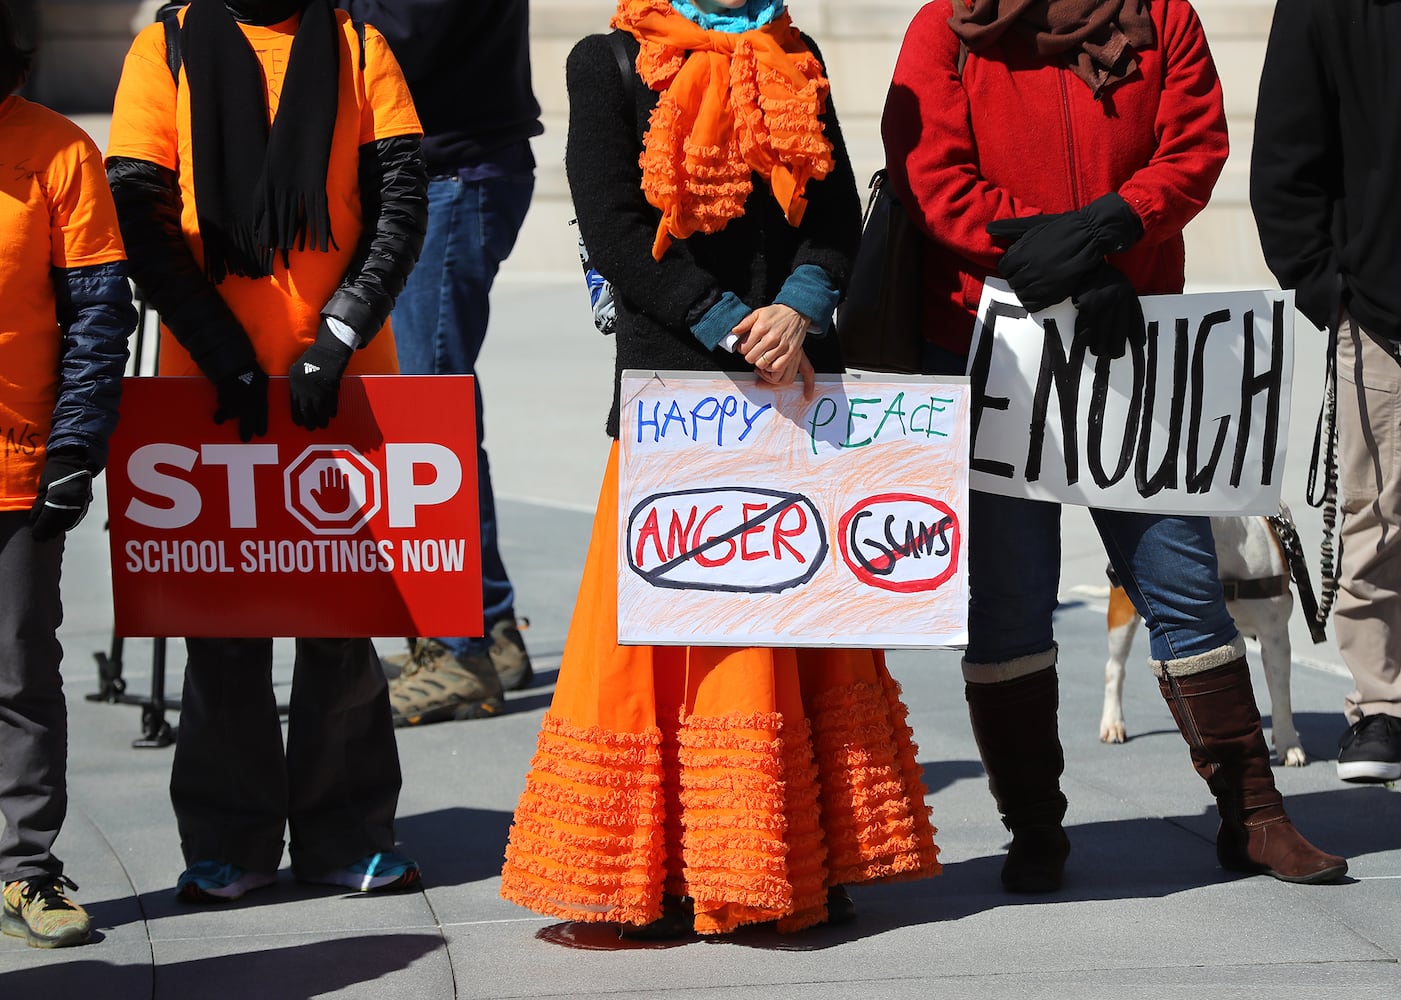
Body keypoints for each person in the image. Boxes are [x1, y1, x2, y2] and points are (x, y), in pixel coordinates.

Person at [499, 0, 942, 938]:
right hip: (675, 388)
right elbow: (614, 229)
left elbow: (830, 216)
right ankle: (654, 877)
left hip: (787, 381)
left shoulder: (795, 50)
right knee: (655, 640)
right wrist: (728, 323)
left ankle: (797, 855)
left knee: (792, 624)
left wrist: (797, 309)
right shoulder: (607, 61)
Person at [881, 0, 1347, 892]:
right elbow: (931, 174)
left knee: (1179, 578)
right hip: (989, 340)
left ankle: (1252, 815)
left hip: (1132, 337)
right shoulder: (946, 23)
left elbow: (1194, 147)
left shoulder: (1162, 13)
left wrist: (1106, 231)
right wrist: (1059, 262)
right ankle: (1033, 829)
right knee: (1010, 600)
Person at [104, 0, 428, 902]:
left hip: (343, 379)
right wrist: (220, 350)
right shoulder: (163, 46)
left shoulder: (359, 44)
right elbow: (137, 204)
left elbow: (401, 198)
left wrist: (341, 330)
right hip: (208, 385)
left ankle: (347, 835)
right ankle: (230, 841)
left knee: (340, 625)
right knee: (223, 633)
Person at [332, 0, 542, 725]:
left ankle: (460, 653)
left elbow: (401, 36)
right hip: (436, 174)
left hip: (450, 176)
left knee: (428, 420)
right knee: (426, 410)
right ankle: (487, 629)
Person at [0, 0, 136, 947]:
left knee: (16, 672)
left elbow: (98, 314)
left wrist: (76, 447)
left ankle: (24, 869)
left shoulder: (57, 152)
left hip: (15, 468)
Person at [1250, 0, 1401, 785]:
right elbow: (1284, 154)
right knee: (1376, 515)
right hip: (1379, 308)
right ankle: (1382, 706)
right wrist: (1325, 289)